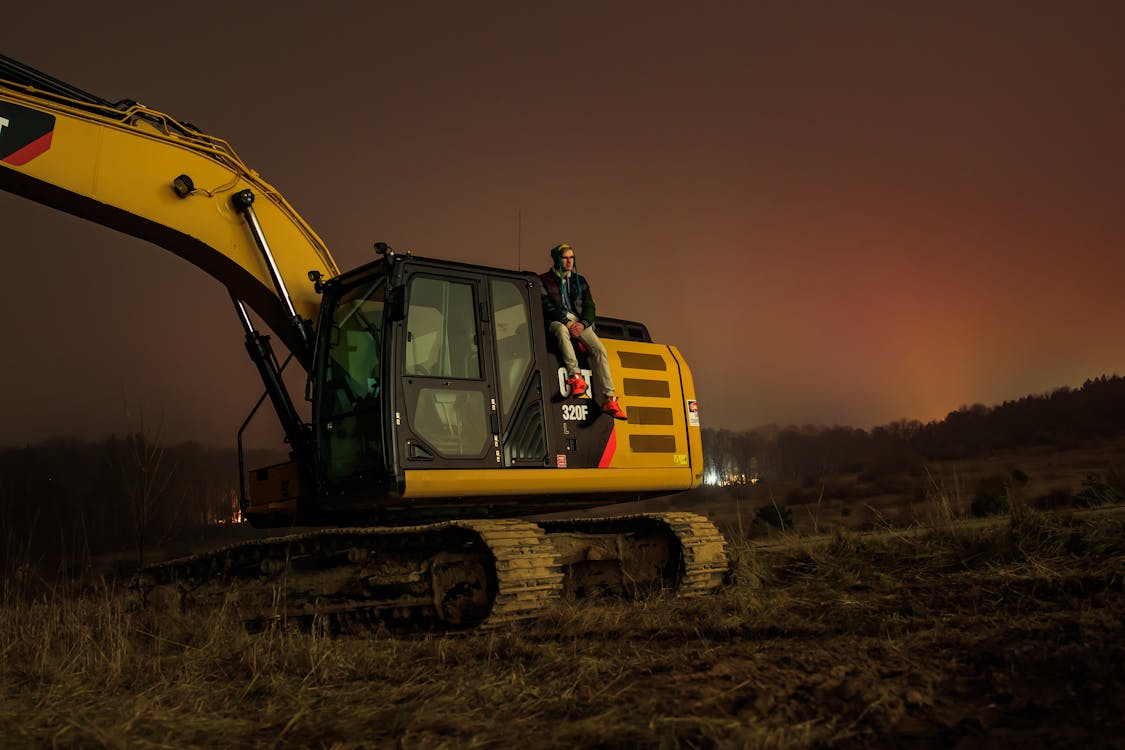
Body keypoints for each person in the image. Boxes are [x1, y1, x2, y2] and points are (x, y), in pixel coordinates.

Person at [540, 243, 626, 420]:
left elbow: (589, 306)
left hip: (579, 322)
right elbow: (546, 306)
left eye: (572, 257)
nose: (570, 261)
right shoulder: (544, 280)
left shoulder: (581, 281)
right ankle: (576, 377)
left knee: (600, 350)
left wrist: (583, 323)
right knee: (562, 331)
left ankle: (610, 398)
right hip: (557, 321)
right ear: (557, 259)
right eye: (566, 257)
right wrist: (566, 321)